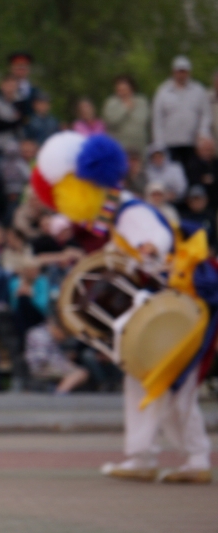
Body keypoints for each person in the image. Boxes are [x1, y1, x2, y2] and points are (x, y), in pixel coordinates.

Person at [102, 201, 214, 483]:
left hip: (188, 321)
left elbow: (158, 248)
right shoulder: (131, 234)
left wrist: (151, 251)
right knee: (143, 385)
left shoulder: (131, 213)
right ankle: (144, 456)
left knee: (179, 391)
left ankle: (195, 458)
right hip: (167, 321)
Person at [152, 55, 211, 169]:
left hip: (192, 143)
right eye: (179, 71)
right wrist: (159, 142)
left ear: (189, 72)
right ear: (173, 72)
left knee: (192, 172)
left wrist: (203, 133)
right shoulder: (163, 91)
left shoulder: (198, 90)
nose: (181, 74)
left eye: (184, 71)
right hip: (169, 143)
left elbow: (205, 115)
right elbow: (157, 119)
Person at [25, 318, 89, 394]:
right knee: (80, 373)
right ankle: (60, 394)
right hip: (42, 368)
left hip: (46, 366)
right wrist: (64, 364)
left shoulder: (48, 334)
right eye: (64, 332)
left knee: (79, 371)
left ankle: (59, 391)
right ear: (57, 328)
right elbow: (42, 358)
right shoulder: (40, 335)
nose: (65, 336)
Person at [102, 75, 150, 154]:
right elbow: (111, 121)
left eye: (124, 89)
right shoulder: (111, 102)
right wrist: (125, 109)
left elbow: (143, 119)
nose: (122, 92)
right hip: (119, 145)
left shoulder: (141, 101)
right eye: (119, 89)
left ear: (132, 88)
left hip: (139, 145)